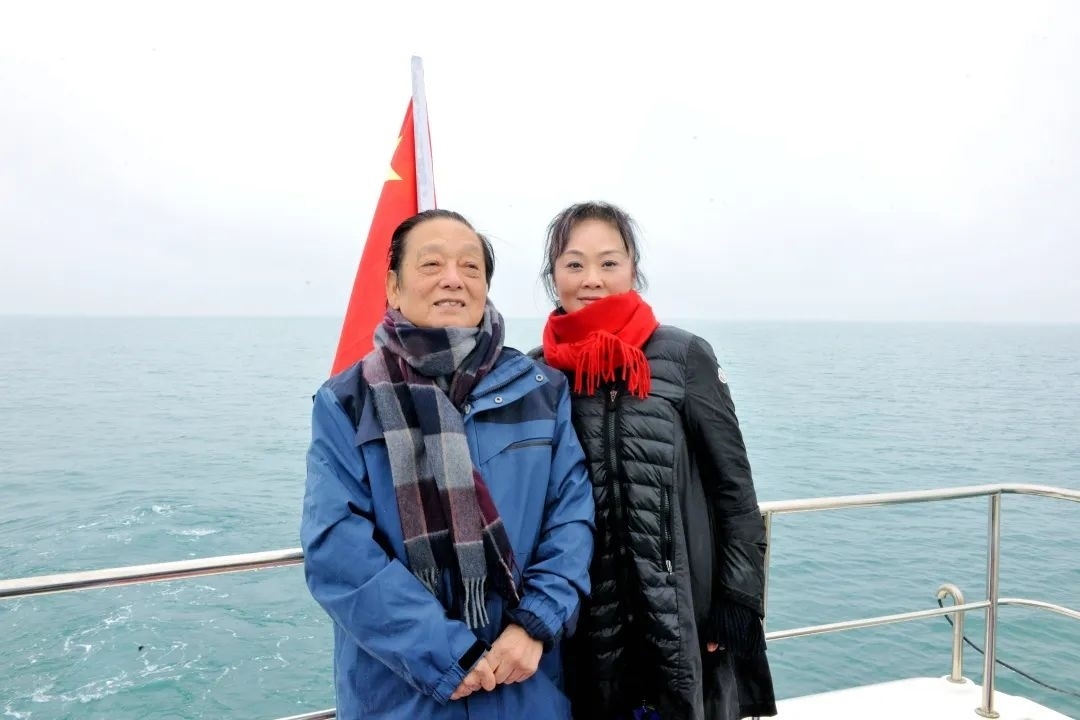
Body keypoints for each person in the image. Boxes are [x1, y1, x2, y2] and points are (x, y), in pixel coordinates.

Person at [301, 209, 595, 719]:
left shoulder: (541, 391)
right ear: (393, 287)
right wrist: (445, 653)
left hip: (524, 680)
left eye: (470, 266)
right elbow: (337, 549)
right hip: (404, 693)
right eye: (431, 264)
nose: (453, 279)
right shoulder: (347, 401)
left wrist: (536, 623)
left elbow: (572, 516)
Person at [535, 201, 777, 720]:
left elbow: (734, 489)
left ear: (632, 269)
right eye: (574, 264)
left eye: (609, 262)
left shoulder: (684, 356)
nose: (592, 279)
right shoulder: (537, 374)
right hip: (582, 617)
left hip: (681, 607)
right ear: (553, 275)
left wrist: (736, 600)